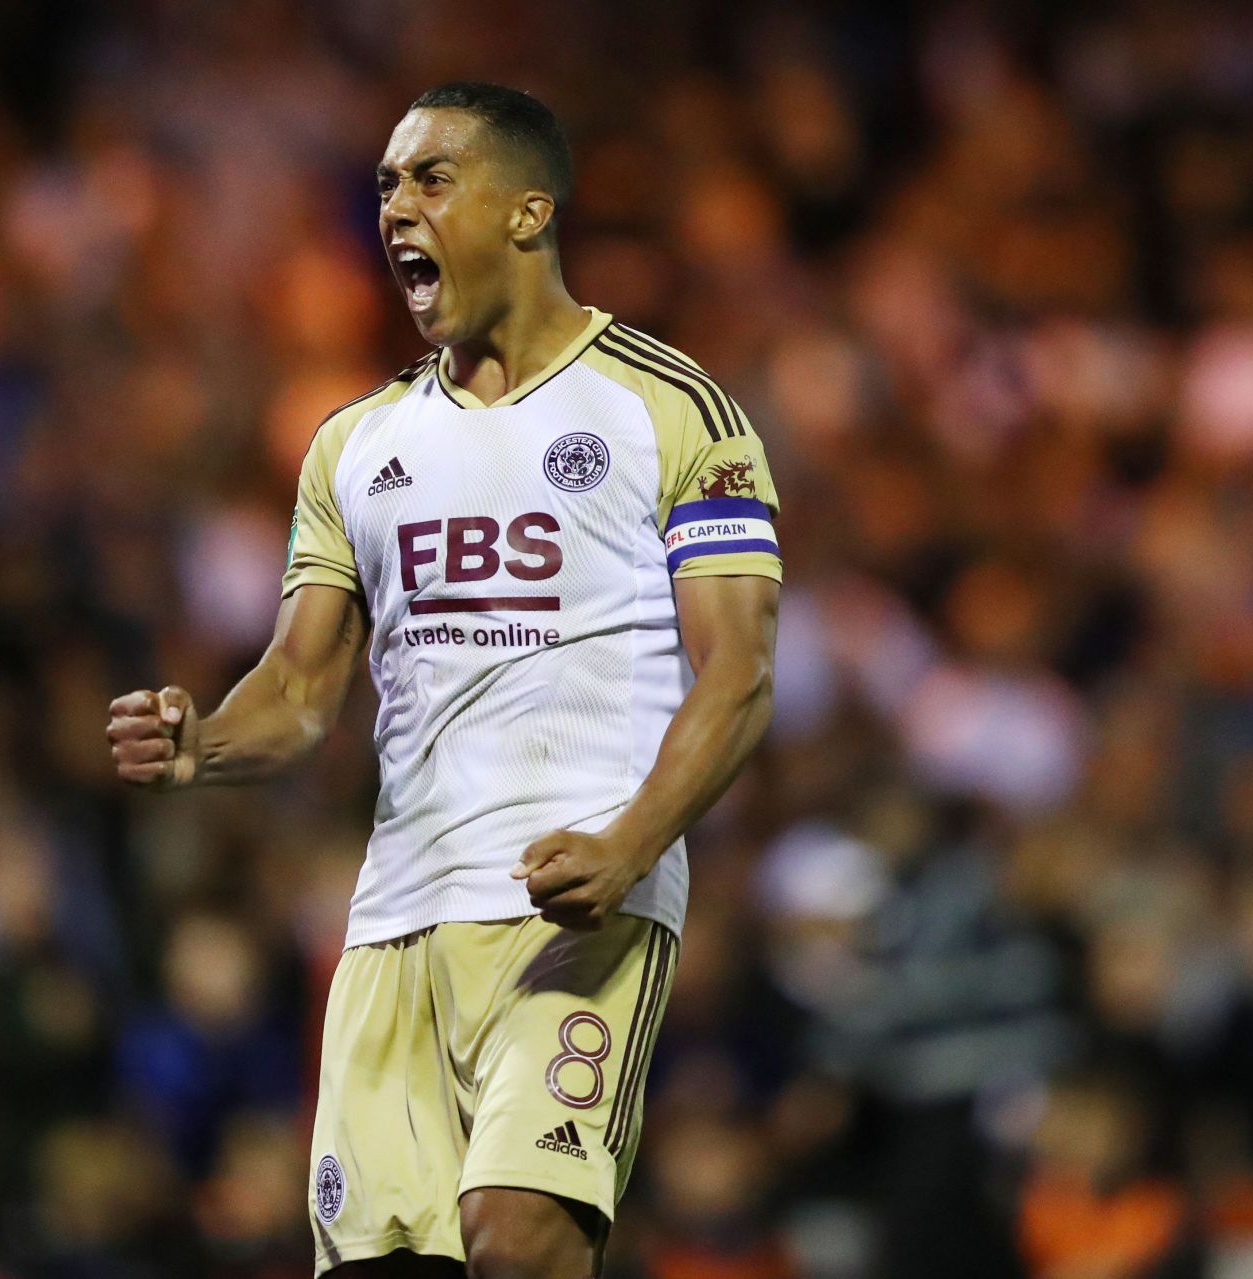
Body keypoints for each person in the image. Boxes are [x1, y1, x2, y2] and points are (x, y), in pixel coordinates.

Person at [107, 81, 780, 1279]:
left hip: (580, 909)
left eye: (429, 179)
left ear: (529, 212)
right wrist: (203, 742)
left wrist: (629, 845)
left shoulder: (673, 410)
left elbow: (740, 677)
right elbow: (303, 689)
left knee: (518, 1239)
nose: (395, 208)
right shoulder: (353, 447)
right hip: (395, 921)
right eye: (383, 186)